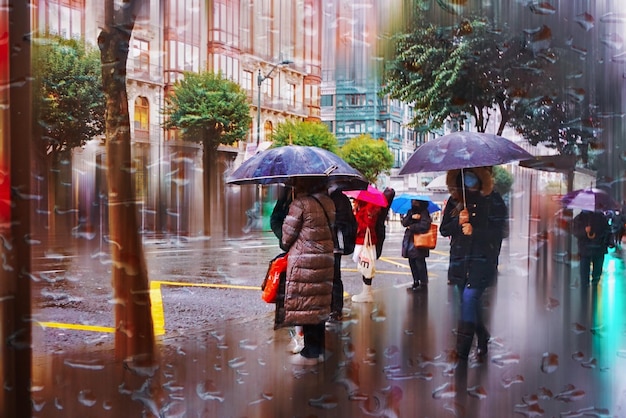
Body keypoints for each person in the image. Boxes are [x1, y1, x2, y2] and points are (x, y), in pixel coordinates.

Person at [439, 167, 508, 362]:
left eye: (472, 178)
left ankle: (461, 351)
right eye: (464, 178)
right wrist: (457, 224)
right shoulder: (455, 201)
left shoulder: (493, 200)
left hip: (483, 261)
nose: (468, 182)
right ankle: (483, 335)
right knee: (468, 302)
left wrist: (475, 230)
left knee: (469, 298)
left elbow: (502, 231)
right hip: (460, 261)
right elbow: (444, 230)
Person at [277, 177, 336, 365]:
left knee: (307, 303)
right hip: (325, 258)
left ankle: (310, 353)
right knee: (318, 304)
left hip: (305, 261)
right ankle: (318, 349)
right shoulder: (328, 202)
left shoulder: (300, 203)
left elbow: (287, 238)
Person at [328, 185, 358, 322]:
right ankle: (333, 308)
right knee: (331, 278)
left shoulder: (338, 199)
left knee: (334, 278)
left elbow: (344, 221)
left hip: (334, 244)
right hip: (329, 243)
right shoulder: (334, 197)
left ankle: (336, 309)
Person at [351, 199, 382, 303]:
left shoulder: (369, 208)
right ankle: (367, 292)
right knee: (365, 265)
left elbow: (367, 225)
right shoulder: (366, 207)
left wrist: (356, 216)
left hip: (364, 241)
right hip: (366, 241)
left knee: (365, 265)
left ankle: (366, 294)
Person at [401, 199, 433, 292]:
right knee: (412, 262)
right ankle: (415, 281)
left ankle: (423, 283)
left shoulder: (424, 212)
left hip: (420, 242)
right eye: (412, 201)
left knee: (420, 263)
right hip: (409, 241)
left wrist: (412, 226)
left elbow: (425, 226)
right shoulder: (410, 211)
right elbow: (404, 223)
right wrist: (411, 217)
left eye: (415, 201)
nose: (413, 203)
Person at [572, 209, 610, 285]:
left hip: (597, 249)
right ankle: (586, 292)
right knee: (585, 277)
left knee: (596, 275)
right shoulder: (580, 218)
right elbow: (575, 231)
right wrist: (584, 231)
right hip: (586, 250)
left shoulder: (601, 217)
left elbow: (607, 231)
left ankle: (592, 290)